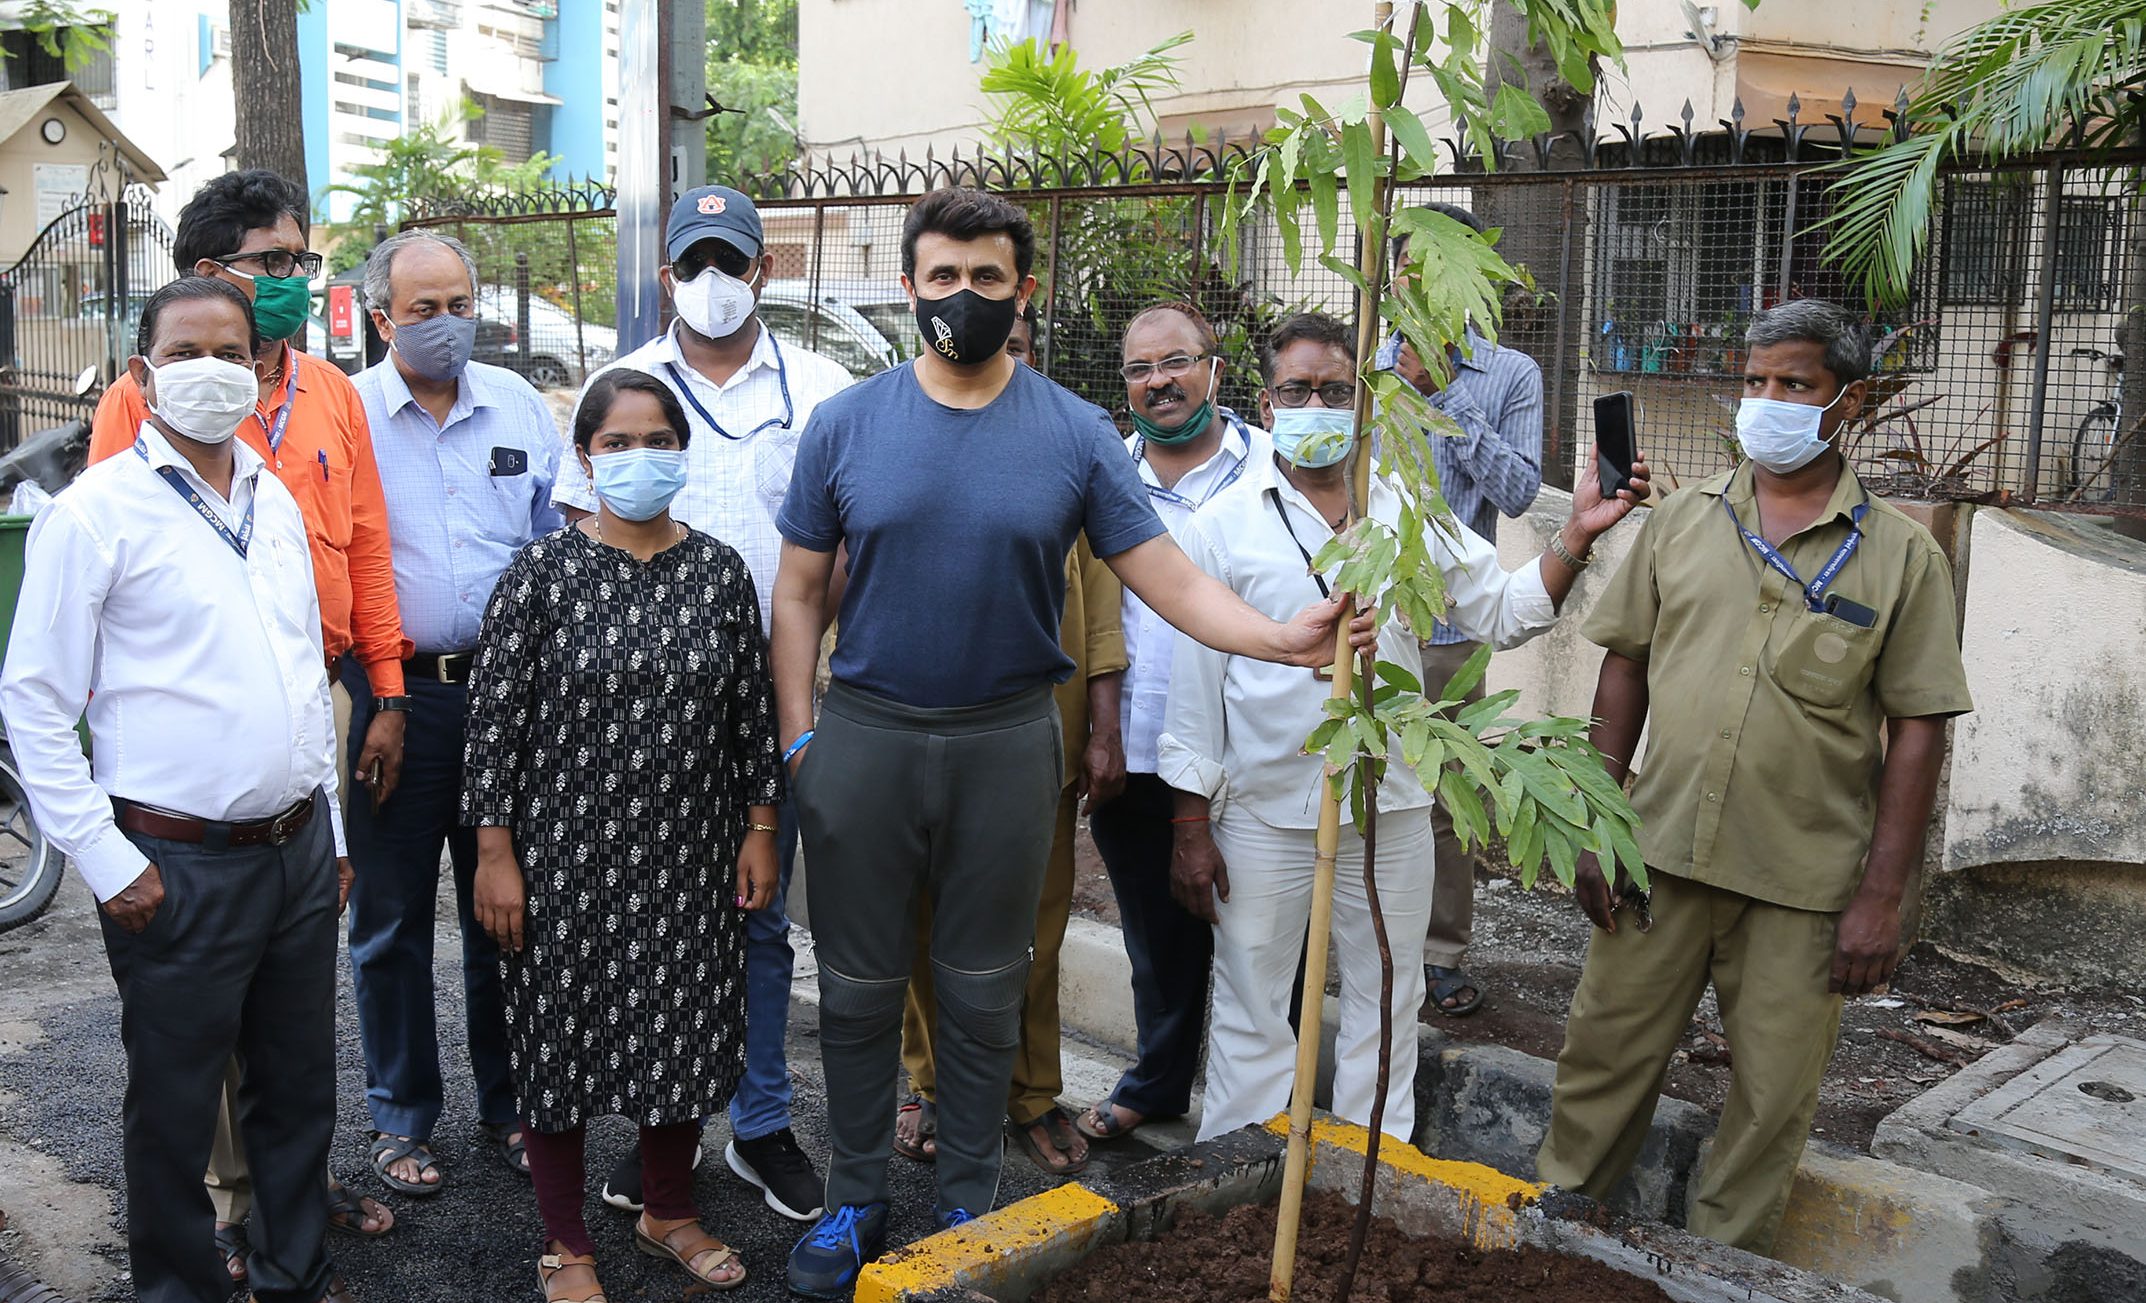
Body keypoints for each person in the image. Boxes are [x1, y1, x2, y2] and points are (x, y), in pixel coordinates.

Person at [771, 187, 1374, 1297]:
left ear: (1023, 290)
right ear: (907, 286)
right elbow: (799, 593)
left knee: (987, 982)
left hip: (1007, 744)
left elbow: (1170, 580)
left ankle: (965, 1201)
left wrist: (1286, 638)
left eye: (987, 277)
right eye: (943, 275)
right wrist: (803, 742)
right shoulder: (847, 423)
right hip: (866, 740)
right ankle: (852, 1197)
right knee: (856, 988)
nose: (964, 296)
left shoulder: (1073, 432)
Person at [1538, 300, 1972, 1254]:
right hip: (1656, 854)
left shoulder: (1902, 558)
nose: (1766, 401)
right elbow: (1626, 668)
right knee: (1602, 1060)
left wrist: (1882, 897)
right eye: (1755, 382)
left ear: (1846, 401)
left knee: (1772, 1097)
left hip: (1802, 885)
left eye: (1795, 385)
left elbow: (1918, 731)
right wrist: (1596, 826)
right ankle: (1556, 1237)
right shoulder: (1681, 522)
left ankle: (1717, 1266)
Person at [1160, 310, 1646, 1143]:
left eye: (1336, 390)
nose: (1318, 403)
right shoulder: (1222, 525)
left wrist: (1576, 535)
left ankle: (1366, 1183)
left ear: (1361, 401)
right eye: (1298, 389)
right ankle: (1240, 1187)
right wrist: (1191, 825)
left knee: (1389, 1003)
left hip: (1390, 805)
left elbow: (1501, 609)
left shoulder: (1402, 508)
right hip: (1267, 811)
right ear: (1266, 404)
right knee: (1252, 1006)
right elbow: (1195, 690)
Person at [0, 276, 355, 1303]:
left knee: (297, 1093)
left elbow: (298, 667)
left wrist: (326, 831)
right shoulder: (96, 513)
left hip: (293, 850)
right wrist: (107, 862)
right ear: (144, 372)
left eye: (230, 350)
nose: (211, 368)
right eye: (184, 350)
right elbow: (33, 702)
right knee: (175, 1105)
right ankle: (178, 1290)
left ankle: (294, 1273)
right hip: (174, 864)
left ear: (260, 366)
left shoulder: (273, 495)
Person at [84, 169, 406, 1271]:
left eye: (299, 263)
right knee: (194, 1017)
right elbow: (111, 593)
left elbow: (362, 546)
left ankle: (288, 1207)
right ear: (207, 272)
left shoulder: (329, 395)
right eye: (273, 261)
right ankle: (222, 1208)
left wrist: (385, 687)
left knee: (290, 1011)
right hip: (188, 726)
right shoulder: (143, 403)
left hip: (304, 709)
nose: (293, 282)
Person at [554, 184, 851, 1223]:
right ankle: (661, 1120)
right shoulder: (621, 382)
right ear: (666, 273)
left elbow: (849, 542)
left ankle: (759, 1124)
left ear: (763, 269)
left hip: (786, 696)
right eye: (693, 264)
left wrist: (810, 666)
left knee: (758, 915)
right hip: (643, 716)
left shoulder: (821, 387)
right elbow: (577, 536)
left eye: (731, 261)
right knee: (654, 921)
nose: (712, 283)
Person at [465, 369, 780, 1300]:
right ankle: (566, 1241)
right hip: (563, 858)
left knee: (680, 1033)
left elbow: (751, 718)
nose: (638, 459)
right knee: (559, 1039)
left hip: (690, 853)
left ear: (682, 452)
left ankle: (667, 1211)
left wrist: (760, 826)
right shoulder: (541, 574)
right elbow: (493, 729)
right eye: (617, 444)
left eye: (656, 442)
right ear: (585, 458)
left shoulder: (720, 572)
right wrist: (495, 854)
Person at [348, 230, 563, 1198]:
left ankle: (510, 1105)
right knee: (390, 916)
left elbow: (559, 539)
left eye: (460, 303)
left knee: (502, 910)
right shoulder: (344, 418)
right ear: (380, 317)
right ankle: (401, 1118)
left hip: (508, 697)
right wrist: (377, 694)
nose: (446, 324)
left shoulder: (517, 405)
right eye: (423, 309)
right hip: (392, 698)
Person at [895, 302, 1127, 1177]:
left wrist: (1103, 725)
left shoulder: (1070, 441)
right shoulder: (893, 431)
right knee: (921, 914)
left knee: (1034, 921)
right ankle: (934, 1083)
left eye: (1017, 345)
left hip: (1041, 728)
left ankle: (1030, 1091)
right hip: (912, 725)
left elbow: (1104, 592)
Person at [1076, 301, 1264, 1145]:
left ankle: (1258, 1104)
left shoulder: (1275, 469)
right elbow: (1088, 617)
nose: (1161, 382)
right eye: (1141, 370)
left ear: (1216, 369)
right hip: (1140, 745)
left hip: (1260, 747)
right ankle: (1158, 1081)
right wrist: (1099, 730)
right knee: (1157, 935)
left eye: (1177, 362)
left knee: (1265, 934)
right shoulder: (1104, 478)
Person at [1381, 202, 1545, 1020]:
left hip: (1450, 629)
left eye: (1431, 262)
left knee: (1442, 803)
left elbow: (1516, 493)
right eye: (1403, 262)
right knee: (1346, 781)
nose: (1414, 278)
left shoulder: (1510, 374)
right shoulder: (1360, 370)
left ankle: (1440, 952)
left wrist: (1447, 389)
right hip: (1364, 626)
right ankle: (1351, 942)